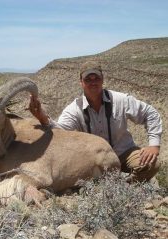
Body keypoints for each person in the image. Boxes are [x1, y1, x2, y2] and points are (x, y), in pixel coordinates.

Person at [29, 61, 162, 183]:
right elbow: (60, 131)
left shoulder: (121, 100)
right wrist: (42, 118)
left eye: (96, 78)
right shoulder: (75, 109)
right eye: (88, 79)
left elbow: (150, 113)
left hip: (123, 153)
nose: (93, 82)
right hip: (94, 160)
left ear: (102, 79)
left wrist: (154, 145)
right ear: (81, 82)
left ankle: (125, 188)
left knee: (152, 164)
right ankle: (107, 188)